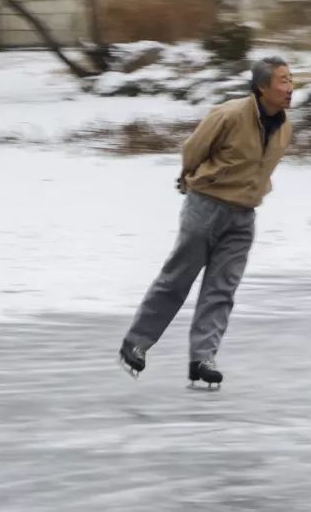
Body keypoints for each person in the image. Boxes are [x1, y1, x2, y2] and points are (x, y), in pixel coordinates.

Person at [119, 56, 295, 388]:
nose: (290, 88)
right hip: (206, 207)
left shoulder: (284, 126)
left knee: (221, 290)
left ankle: (202, 358)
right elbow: (193, 150)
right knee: (177, 279)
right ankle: (136, 344)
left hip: (243, 216)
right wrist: (192, 181)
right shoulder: (229, 115)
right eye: (283, 80)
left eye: (291, 80)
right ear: (262, 87)